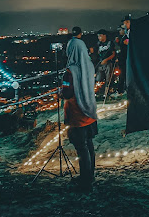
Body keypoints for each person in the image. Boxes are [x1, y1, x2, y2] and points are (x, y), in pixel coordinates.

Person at [62, 28, 98, 192]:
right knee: (89, 145)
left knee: (81, 148)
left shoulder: (70, 71)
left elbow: (67, 93)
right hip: (89, 112)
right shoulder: (89, 66)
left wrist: (60, 91)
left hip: (77, 114)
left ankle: (85, 181)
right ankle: (90, 176)